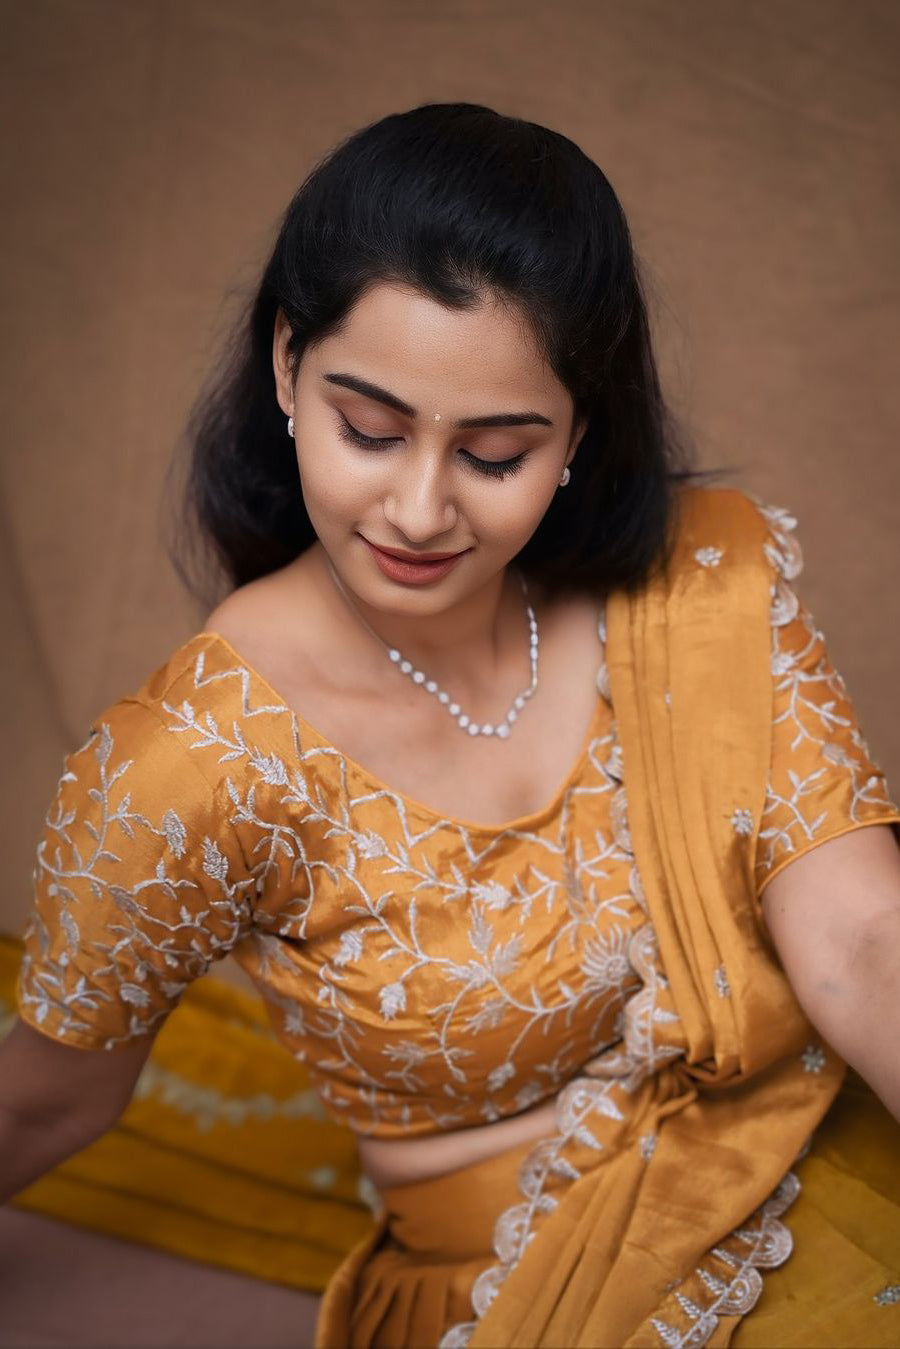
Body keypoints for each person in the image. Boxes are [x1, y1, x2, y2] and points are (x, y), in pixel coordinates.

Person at [2, 102, 899, 1349]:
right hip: (529, 1284)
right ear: (286, 365)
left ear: (579, 432)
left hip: (826, 1161)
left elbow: (862, 940)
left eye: (494, 454)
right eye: (370, 431)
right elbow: (46, 1101)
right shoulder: (194, 763)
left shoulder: (695, 591)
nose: (419, 509)